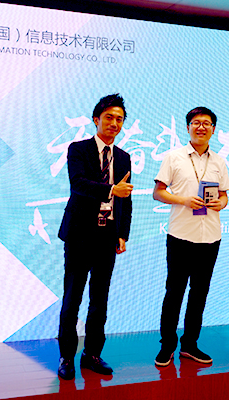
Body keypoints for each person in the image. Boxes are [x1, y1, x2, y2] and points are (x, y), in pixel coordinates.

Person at [56, 94, 133, 380]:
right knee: (73, 297)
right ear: (96, 119)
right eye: (109, 117)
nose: (114, 123)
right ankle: (66, 356)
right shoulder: (78, 149)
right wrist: (111, 190)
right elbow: (78, 184)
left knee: (100, 299)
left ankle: (92, 354)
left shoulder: (123, 157)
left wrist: (123, 233)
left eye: (119, 119)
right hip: (79, 235)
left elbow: (126, 199)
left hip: (107, 237)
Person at [153, 107, 229, 367]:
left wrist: (221, 203)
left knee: (199, 294)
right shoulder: (173, 157)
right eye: (196, 123)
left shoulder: (219, 161)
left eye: (206, 123)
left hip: (210, 237)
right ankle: (167, 345)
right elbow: (158, 192)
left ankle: (190, 345)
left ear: (213, 129)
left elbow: (224, 195)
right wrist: (183, 200)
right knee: (174, 293)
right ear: (188, 127)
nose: (201, 127)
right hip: (181, 235)